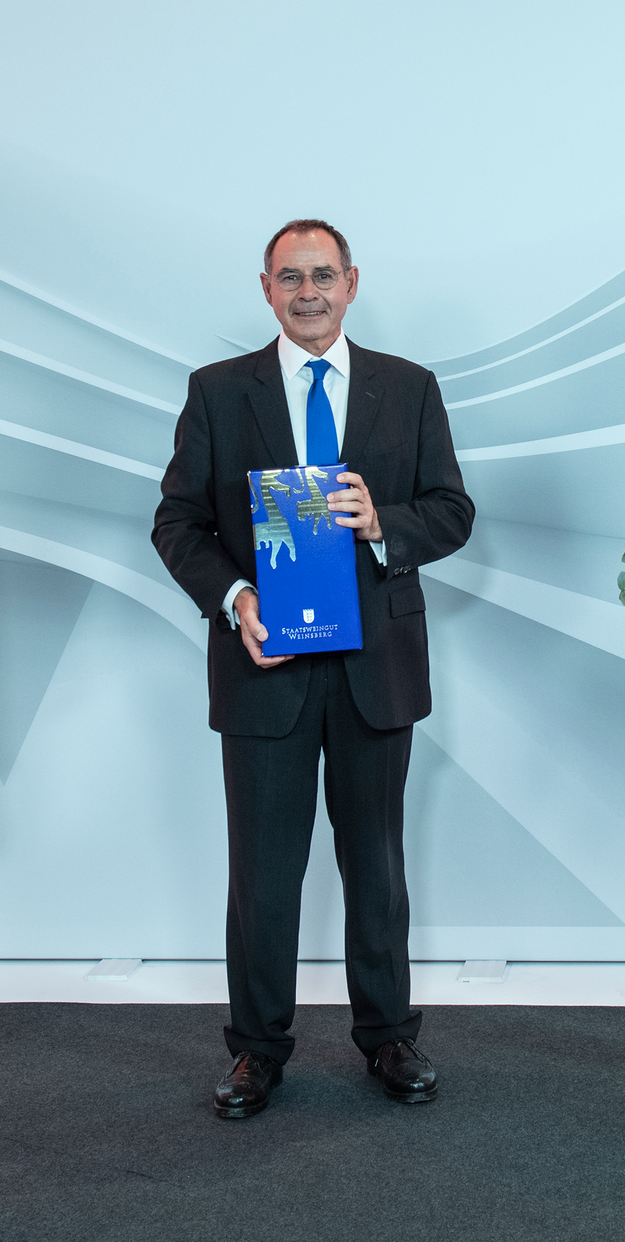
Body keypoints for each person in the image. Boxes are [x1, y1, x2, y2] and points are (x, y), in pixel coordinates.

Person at [152, 219, 474, 1119]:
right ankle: (256, 1050)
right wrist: (235, 600)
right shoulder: (219, 392)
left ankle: (389, 1038)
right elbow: (176, 522)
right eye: (289, 277)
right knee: (263, 869)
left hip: (377, 665)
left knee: (375, 862)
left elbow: (453, 512)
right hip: (266, 663)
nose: (308, 292)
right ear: (265, 288)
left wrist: (382, 524)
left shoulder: (408, 389)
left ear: (352, 281)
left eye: (322, 276)